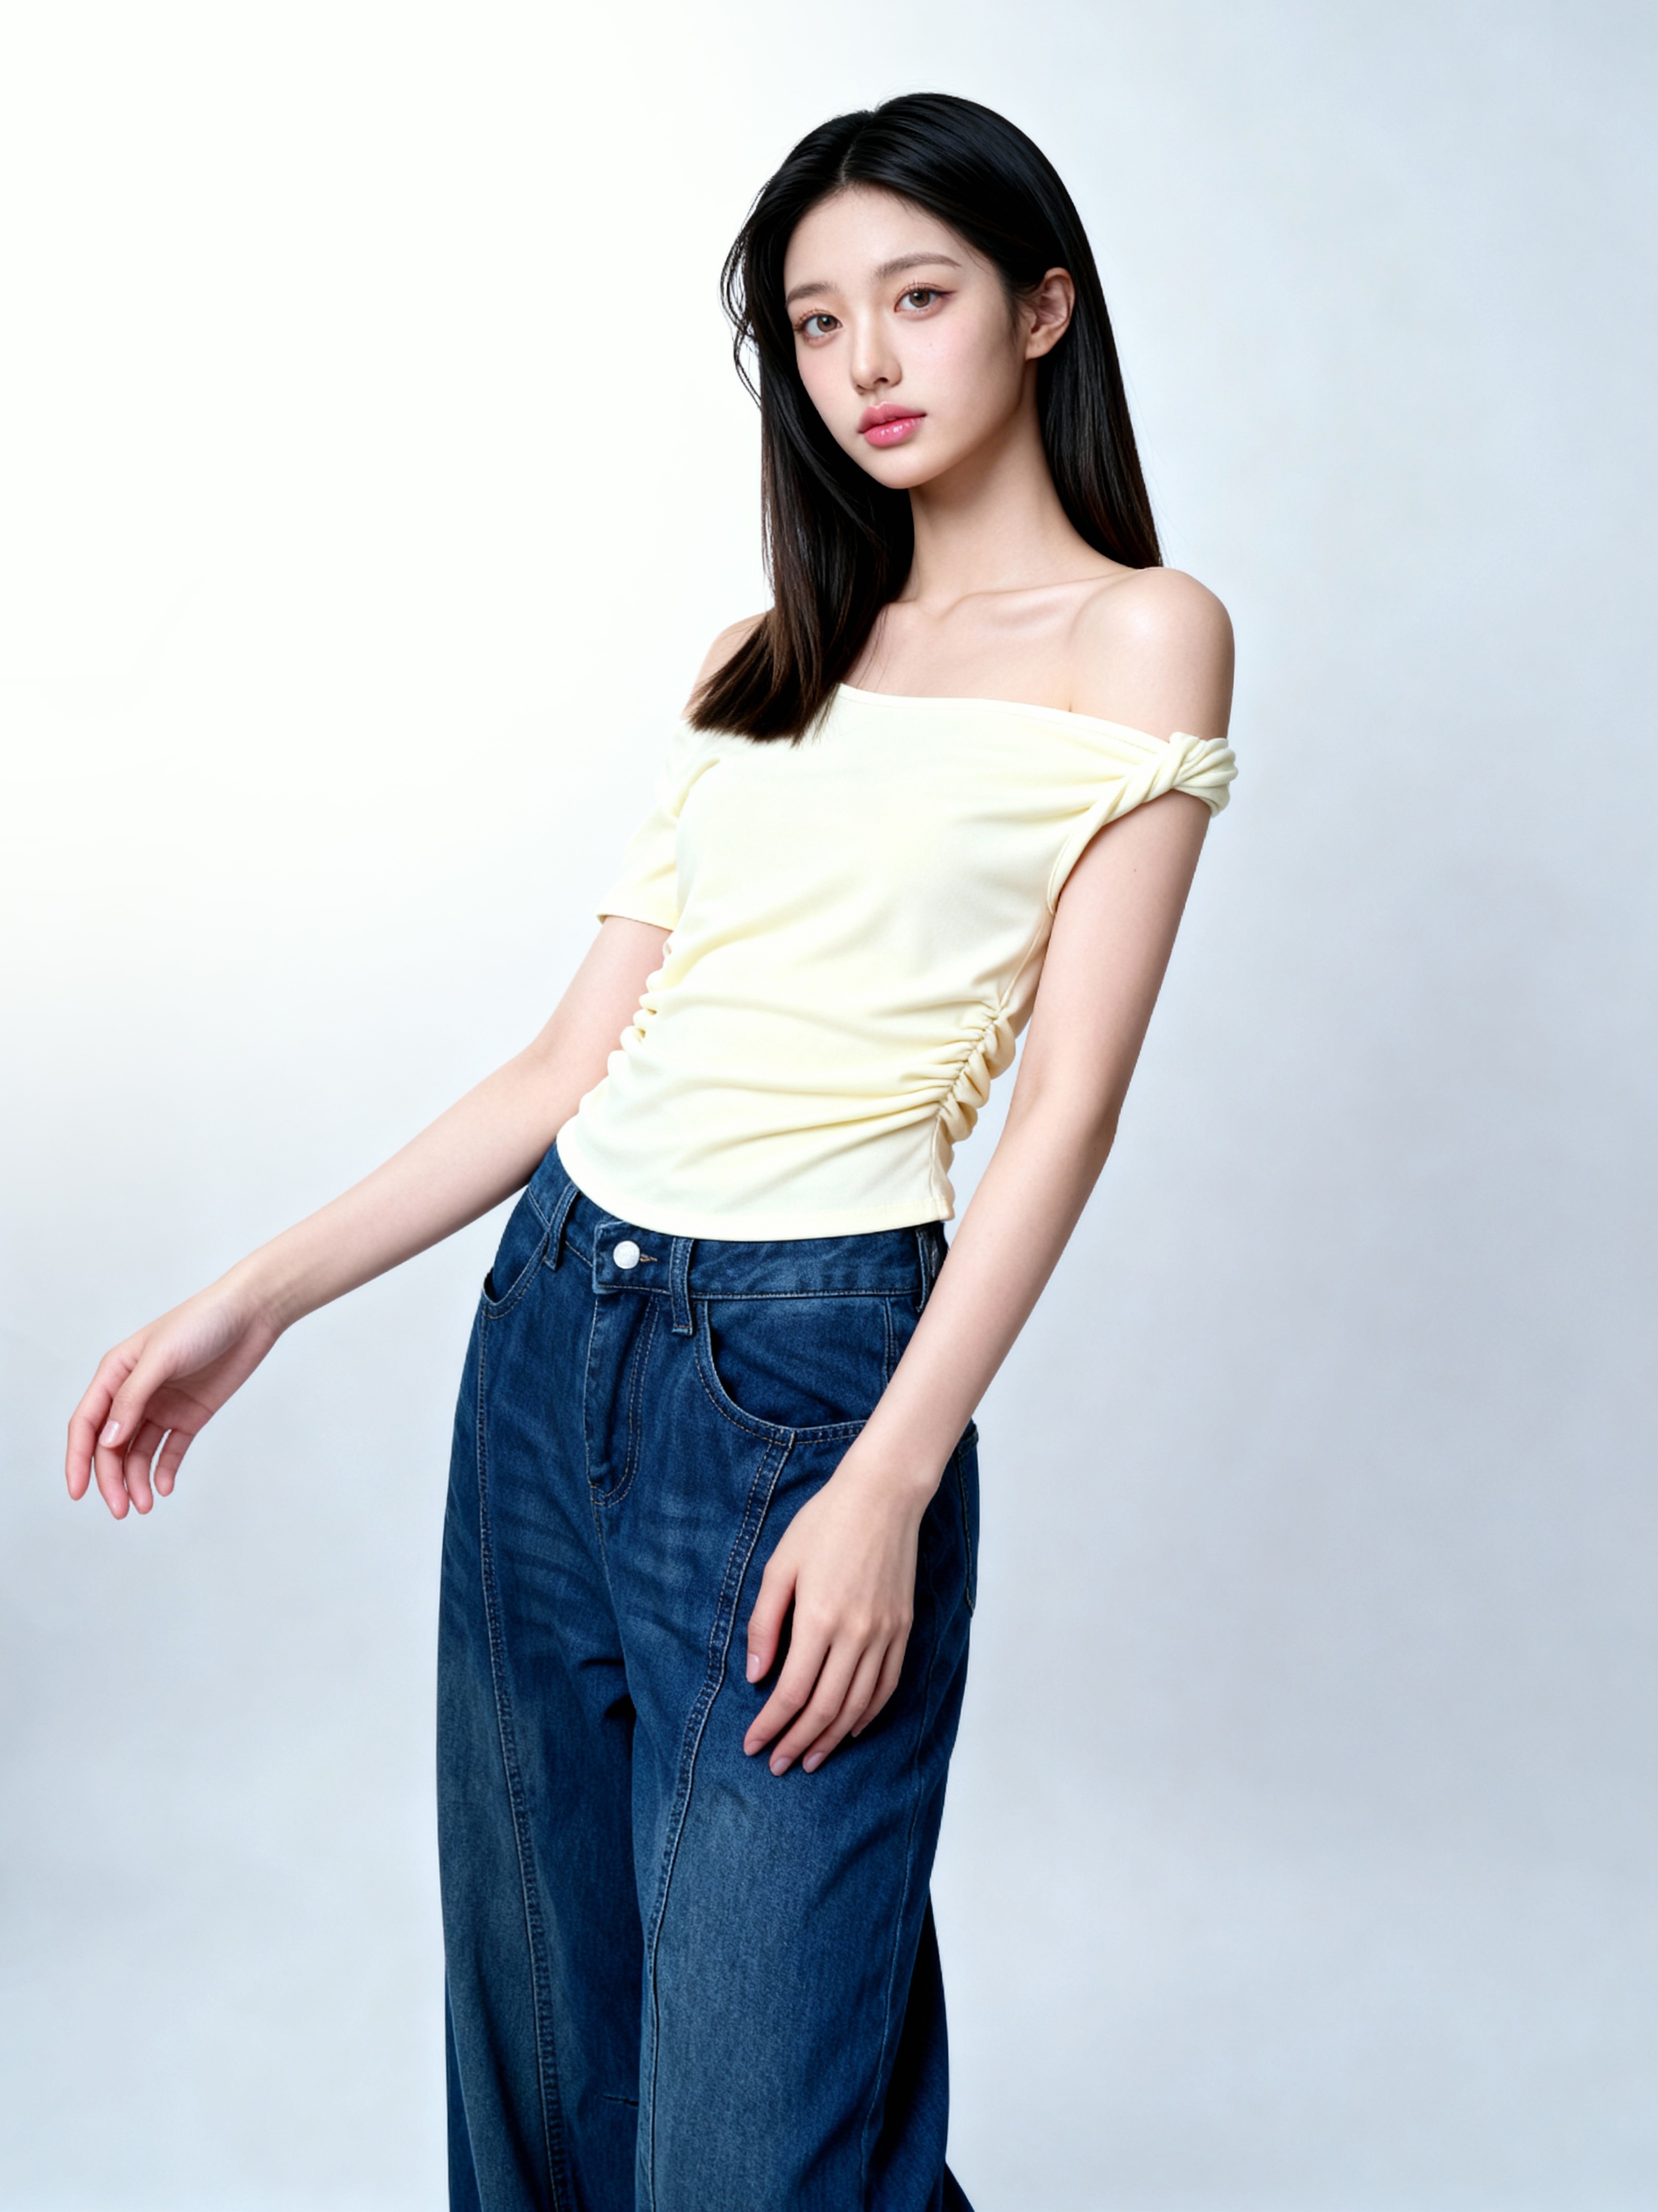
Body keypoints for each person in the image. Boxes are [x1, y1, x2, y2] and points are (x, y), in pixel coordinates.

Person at [65, 91, 1235, 2212]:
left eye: (918, 298)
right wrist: (255, 1300)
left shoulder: (1139, 635)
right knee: (544, 2075)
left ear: (1042, 309)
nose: (866, 363)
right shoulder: (763, 662)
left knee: (751, 2139)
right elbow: (565, 1065)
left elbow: (1067, 1100)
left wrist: (889, 1477)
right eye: (816, 323)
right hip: (551, 1336)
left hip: (805, 1381)